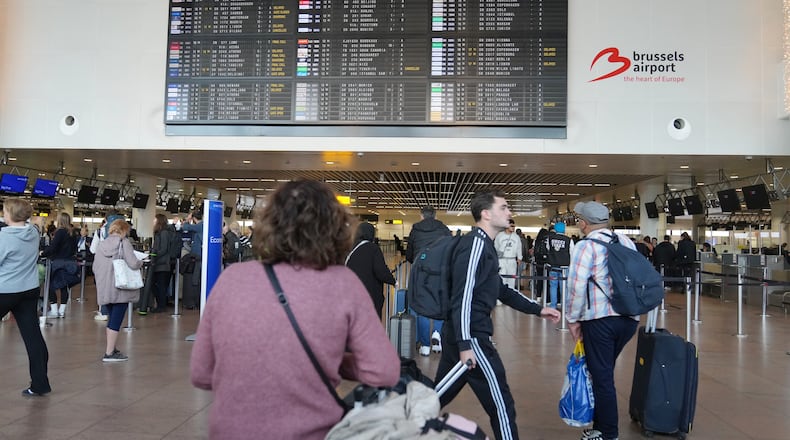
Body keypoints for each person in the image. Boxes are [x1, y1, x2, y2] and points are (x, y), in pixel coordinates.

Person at [190, 179, 400, 440]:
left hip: (230, 431)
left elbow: (201, 373)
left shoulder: (232, 278)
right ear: (335, 228)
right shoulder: (343, 283)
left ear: (269, 223)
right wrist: (330, 358)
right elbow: (384, 370)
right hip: (311, 431)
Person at [433, 189, 561, 440]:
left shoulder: (485, 246)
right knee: (501, 404)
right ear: (486, 214)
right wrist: (466, 343)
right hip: (473, 337)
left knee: (434, 398)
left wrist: (537, 309)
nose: (509, 212)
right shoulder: (475, 246)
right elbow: (463, 297)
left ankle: (392, 422)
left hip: (465, 335)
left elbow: (500, 289)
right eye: (503, 207)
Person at [565, 201, 639, 440]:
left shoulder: (585, 246)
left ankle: (607, 433)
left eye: (579, 220)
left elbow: (576, 287)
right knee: (602, 371)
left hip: (600, 320)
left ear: (584, 223)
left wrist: (572, 319)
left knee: (602, 376)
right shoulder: (626, 242)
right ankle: (601, 426)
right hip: (629, 319)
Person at [0, 198, 52, 396]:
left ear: (11, 214)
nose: (3, 214)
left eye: (5, 211)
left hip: (4, 291)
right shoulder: (32, 233)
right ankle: (40, 384)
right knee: (33, 337)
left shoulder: (5, 238)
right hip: (29, 290)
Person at [92, 219, 144, 362]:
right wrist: (141, 262)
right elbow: (133, 263)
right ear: (123, 230)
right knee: (116, 320)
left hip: (105, 288)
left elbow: (95, 267)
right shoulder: (124, 243)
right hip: (120, 287)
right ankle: (109, 353)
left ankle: (111, 348)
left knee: (111, 319)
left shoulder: (102, 245)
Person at [405, 205, 452, 356]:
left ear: (421, 216)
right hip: (440, 269)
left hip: (420, 270)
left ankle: (425, 345)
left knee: (421, 306)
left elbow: (409, 253)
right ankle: (437, 334)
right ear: (435, 216)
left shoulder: (415, 229)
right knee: (440, 303)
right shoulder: (444, 229)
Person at [345, 222, 396, 319]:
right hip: (369, 294)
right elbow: (380, 271)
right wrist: (393, 281)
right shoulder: (373, 249)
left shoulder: (350, 248)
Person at [41, 212, 79, 318]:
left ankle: (54, 310)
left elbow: (53, 248)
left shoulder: (60, 232)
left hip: (58, 263)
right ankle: (62, 311)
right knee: (64, 286)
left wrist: (42, 253)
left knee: (50, 285)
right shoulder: (73, 233)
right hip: (70, 263)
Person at [148, 214, 173, 313]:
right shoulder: (160, 233)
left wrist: (154, 254)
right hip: (160, 263)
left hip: (162, 264)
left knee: (158, 285)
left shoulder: (164, 233)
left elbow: (163, 249)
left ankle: (161, 306)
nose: (153, 221)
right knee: (158, 285)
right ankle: (161, 304)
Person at [546, 221, 574, 309]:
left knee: (553, 286)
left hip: (553, 265)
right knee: (564, 287)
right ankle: (565, 306)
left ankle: (553, 306)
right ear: (564, 229)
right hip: (564, 267)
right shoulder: (569, 240)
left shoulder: (549, 238)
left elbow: (548, 249)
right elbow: (572, 253)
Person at [180, 211, 203, 309]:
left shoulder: (199, 226)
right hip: (199, 255)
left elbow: (185, 227)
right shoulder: (203, 226)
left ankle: (195, 301)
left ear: (194, 218)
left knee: (196, 279)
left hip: (198, 256)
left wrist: (187, 219)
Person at [494, 219, 522, 291]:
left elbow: (519, 248)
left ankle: (510, 297)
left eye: (514, 226)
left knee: (511, 280)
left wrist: (519, 258)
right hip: (502, 260)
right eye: (511, 226)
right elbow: (495, 247)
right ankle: (500, 298)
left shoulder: (516, 237)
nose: (513, 227)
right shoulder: (499, 236)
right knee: (502, 278)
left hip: (512, 260)